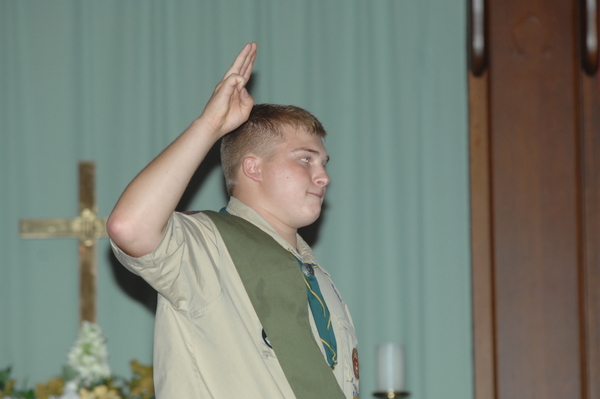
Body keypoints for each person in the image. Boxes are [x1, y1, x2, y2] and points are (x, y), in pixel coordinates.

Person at [107, 42, 359, 399]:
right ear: (253, 167)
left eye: (324, 164)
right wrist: (210, 125)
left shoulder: (315, 276)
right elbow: (128, 227)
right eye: (305, 160)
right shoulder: (206, 249)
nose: (323, 177)